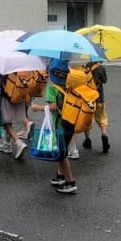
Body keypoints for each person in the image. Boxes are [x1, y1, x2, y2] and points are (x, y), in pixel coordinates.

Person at [30, 59, 77, 194]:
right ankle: (60, 176)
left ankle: (70, 182)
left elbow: (53, 107)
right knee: (59, 151)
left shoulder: (52, 88)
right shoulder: (69, 85)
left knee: (62, 155)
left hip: (59, 125)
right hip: (70, 122)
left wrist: (37, 107)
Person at [0, 72, 29, 159]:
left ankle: (18, 143)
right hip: (19, 94)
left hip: (7, 96)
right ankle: (7, 144)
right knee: (10, 120)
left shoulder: (1, 65)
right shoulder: (20, 62)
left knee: (6, 123)